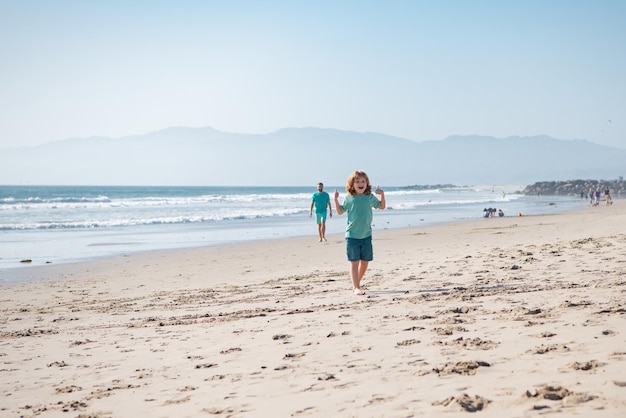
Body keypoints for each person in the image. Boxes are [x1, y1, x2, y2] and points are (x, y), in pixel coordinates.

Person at [334, 170, 386, 296]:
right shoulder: (349, 198)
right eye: (357, 181)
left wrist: (382, 195)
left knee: (365, 262)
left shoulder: (369, 197)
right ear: (352, 184)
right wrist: (335, 200)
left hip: (366, 235)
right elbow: (340, 211)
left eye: (363, 181)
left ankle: (356, 283)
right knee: (354, 262)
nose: (360, 183)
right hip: (352, 236)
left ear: (367, 183)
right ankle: (356, 287)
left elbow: (382, 206)